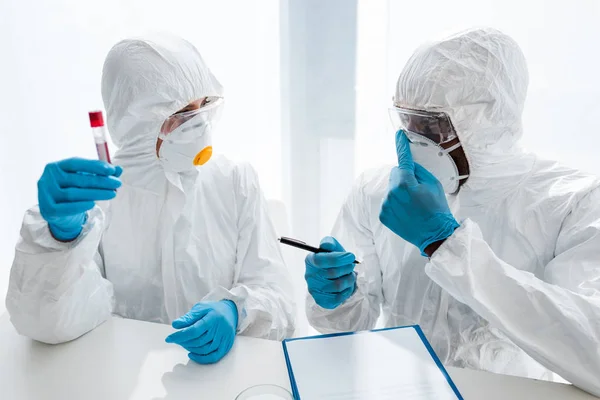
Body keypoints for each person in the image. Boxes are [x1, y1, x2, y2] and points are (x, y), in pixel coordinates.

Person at [304, 27, 600, 396]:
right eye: (406, 120)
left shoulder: (571, 202)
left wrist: (448, 244)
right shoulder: (377, 191)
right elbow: (346, 329)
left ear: (488, 122)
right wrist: (336, 295)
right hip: (398, 390)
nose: (414, 137)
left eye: (431, 124)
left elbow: (592, 350)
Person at [6, 34, 296, 364]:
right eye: (181, 113)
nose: (199, 124)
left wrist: (237, 310)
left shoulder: (234, 182)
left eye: (204, 105)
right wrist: (59, 240)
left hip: (220, 378)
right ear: (137, 124)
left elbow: (279, 299)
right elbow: (47, 324)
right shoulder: (98, 200)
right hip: (121, 379)